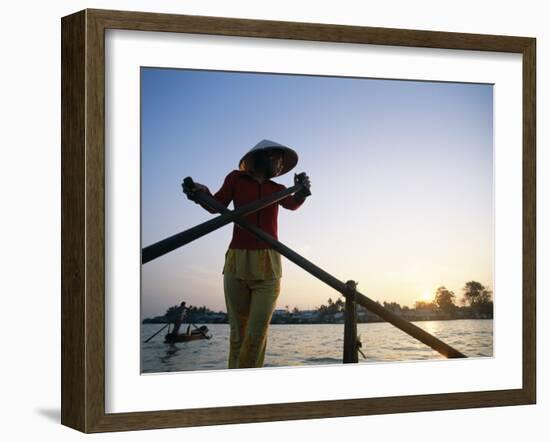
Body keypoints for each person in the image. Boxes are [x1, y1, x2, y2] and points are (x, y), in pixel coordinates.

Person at [189, 139, 311, 368]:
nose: (280, 163)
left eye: (282, 160)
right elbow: (217, 204)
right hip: (237, 261)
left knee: (256, 335)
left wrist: (302, 192)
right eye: (276, 157)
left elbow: (293, 204)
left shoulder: (277, 190)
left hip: (268, 264)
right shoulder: (236, 178)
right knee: (238, 335)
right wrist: (200, 193)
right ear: (261, 158)